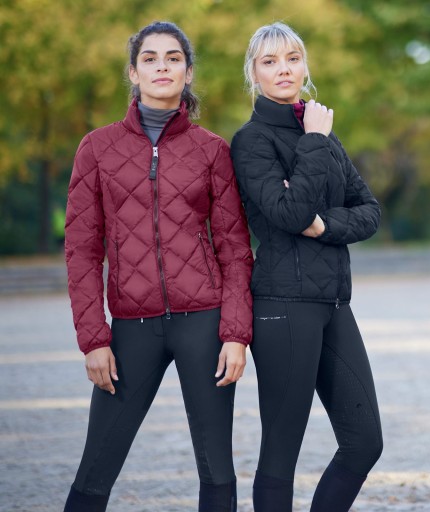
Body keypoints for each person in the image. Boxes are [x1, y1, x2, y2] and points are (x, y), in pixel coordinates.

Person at [63, 21, 253, 512]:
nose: (162, 66)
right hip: (131, 328)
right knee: (95, 467)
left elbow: (234, 247)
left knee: (217, 468)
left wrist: (235, 334)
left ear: (188, 73)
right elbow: (81, 250)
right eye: (150, 58)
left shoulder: (212, 150)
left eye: (173, 58)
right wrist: (93, 339)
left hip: (204, 324)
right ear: (134, 72)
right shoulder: (96, 148)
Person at [230, 22, 383, 512]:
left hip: (334, 303)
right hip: (283, 306)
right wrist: (315, 140)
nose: (283, 69)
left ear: (304, 66)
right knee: (281, 453)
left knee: (365, 442)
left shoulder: (322, 134)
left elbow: (370, 211)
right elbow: (288, 213)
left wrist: (325, 225)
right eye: (270, 61)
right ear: (253, 73)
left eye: (292, 58)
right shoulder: (252, 140)